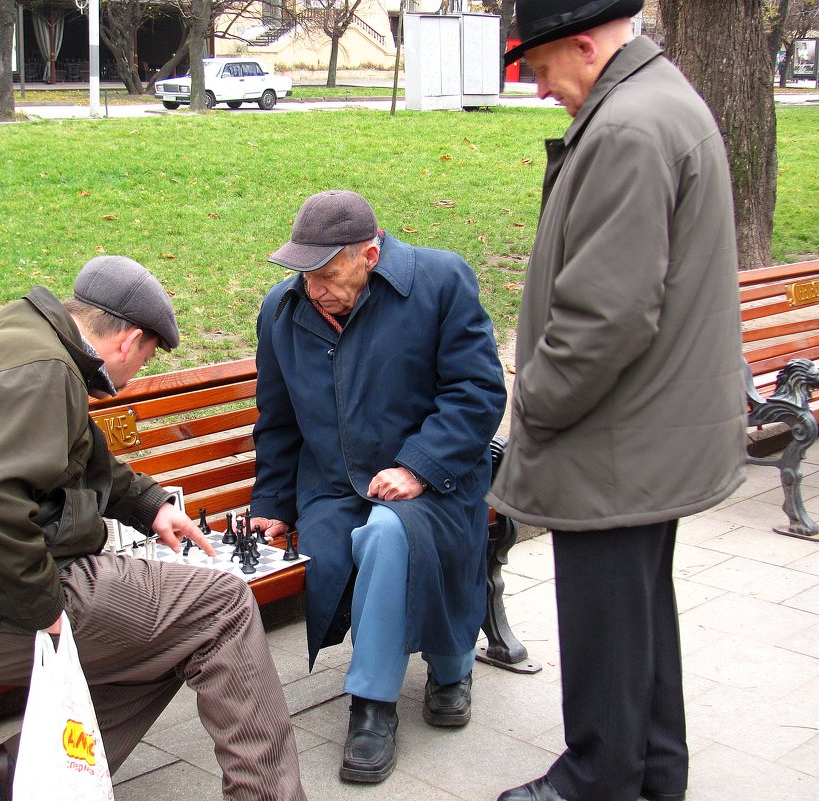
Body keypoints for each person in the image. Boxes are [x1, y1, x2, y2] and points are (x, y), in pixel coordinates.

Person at [0, 256, 307, 801]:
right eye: (147, 358)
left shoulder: (27, 339)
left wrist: (151, 505)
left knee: (173, 634)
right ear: (129, 341)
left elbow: (80, 454)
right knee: (219, 606)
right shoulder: (41, 371)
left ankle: (18, 771)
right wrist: (45, 613)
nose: (136, 375)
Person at [490, 3, 747, 801]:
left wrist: (533, 399)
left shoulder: (626, 129)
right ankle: (653, 774)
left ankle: (597, 778)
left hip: (615, 443)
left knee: (607, 624)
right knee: (640, 622)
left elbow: (604, 317)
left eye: (537, 70)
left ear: (584, 43)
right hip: (650, 431)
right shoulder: (659, 100)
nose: (538, 91)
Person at [248, 190, 506, 784]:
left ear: (371, 253)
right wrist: (271, 504)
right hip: (336, 487)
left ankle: (392, 692)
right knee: (368, 534)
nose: (314, 289)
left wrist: (417, 466)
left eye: (329, 274)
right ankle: (422, 680)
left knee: (390, 532)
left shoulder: (439, 281)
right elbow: (278, 419)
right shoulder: (282, 311)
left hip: (437, 480)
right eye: (304, 274)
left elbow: (477, 392)